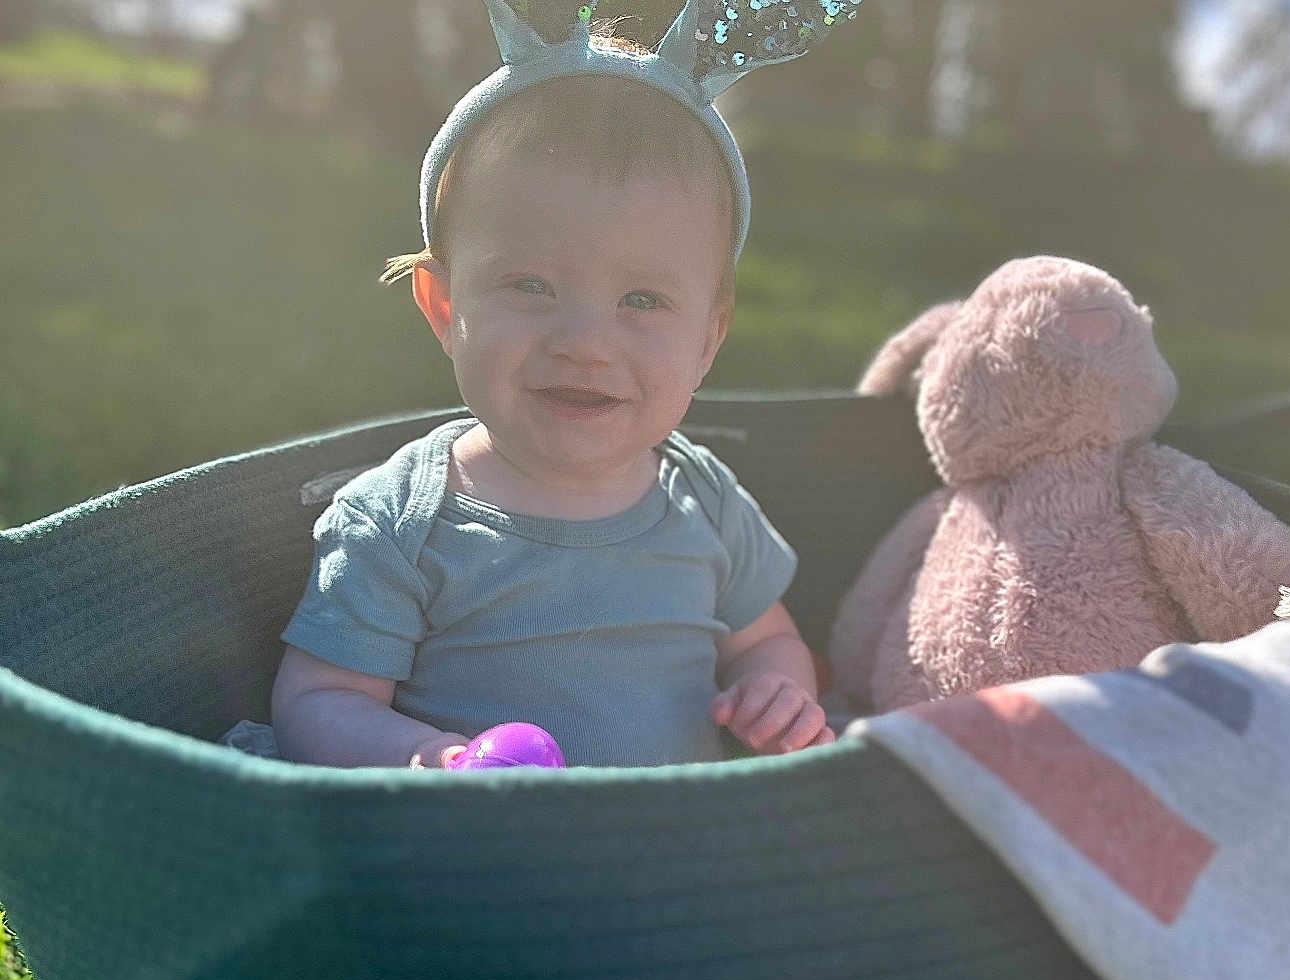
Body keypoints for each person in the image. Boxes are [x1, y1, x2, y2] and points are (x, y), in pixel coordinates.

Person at [270, 0, 860, 770]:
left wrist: (775, 693)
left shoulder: (705, 500)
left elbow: (768, 640)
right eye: (531, 286)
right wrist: (430, 760)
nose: (584, 343)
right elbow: (319, 700)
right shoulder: (400, 524)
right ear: (445, 308)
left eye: (641, 300)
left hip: (680, 838)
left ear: (707, 341)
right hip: (476, 840)